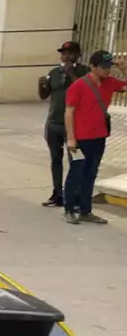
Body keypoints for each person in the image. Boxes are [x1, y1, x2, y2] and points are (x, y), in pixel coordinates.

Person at [63, 49, 126, 225]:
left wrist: (124, 69)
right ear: (92, 66)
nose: (107, 70)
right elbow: (69, 111)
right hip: (80, 138)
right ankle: (69, 209)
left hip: (99, 137)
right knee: (76, 174)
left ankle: (85, 210)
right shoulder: (79, 86)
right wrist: (71, 138)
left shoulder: (110, 82)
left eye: (109, 67)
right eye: (104, 67)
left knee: (91, 174)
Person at [38, 41, 89, 208]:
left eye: (70, 53)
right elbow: (44, 96)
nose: (66, 56)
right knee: (55, 160)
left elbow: (85, 92)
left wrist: (71, 74)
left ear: (78, 55)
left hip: (73, 125)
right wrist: (42, 86)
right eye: (64, 53)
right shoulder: (54, 72)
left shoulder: (85, 72)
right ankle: (57, 194)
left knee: (75, 161)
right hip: (53, 122)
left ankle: (73, 196)